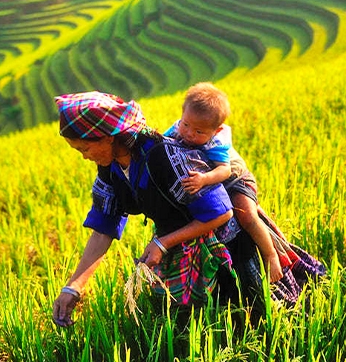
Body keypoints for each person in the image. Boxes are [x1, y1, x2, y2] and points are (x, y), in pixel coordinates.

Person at [51, 91, 268, 327]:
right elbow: (104, 227)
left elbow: (220, 212)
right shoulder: (110, 169)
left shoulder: (164, 156)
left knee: (250, 317)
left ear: (108, 137)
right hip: (178, 248)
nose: (85, 157)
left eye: (85, 149)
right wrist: (74, 286)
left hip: (227, 248)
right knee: (191, 326)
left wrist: (163, 243)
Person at [164, 82, 325, 301]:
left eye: (199, 131)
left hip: (235, 180)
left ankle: (270, 256)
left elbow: (224, 170)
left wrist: (203, 179)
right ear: (182, 116)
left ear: (216, 130)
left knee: (247, 216)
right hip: (214, 185)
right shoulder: (180, 127)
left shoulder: (217, 142)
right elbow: (163, 143)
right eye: (186, 125)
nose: (189, 134)